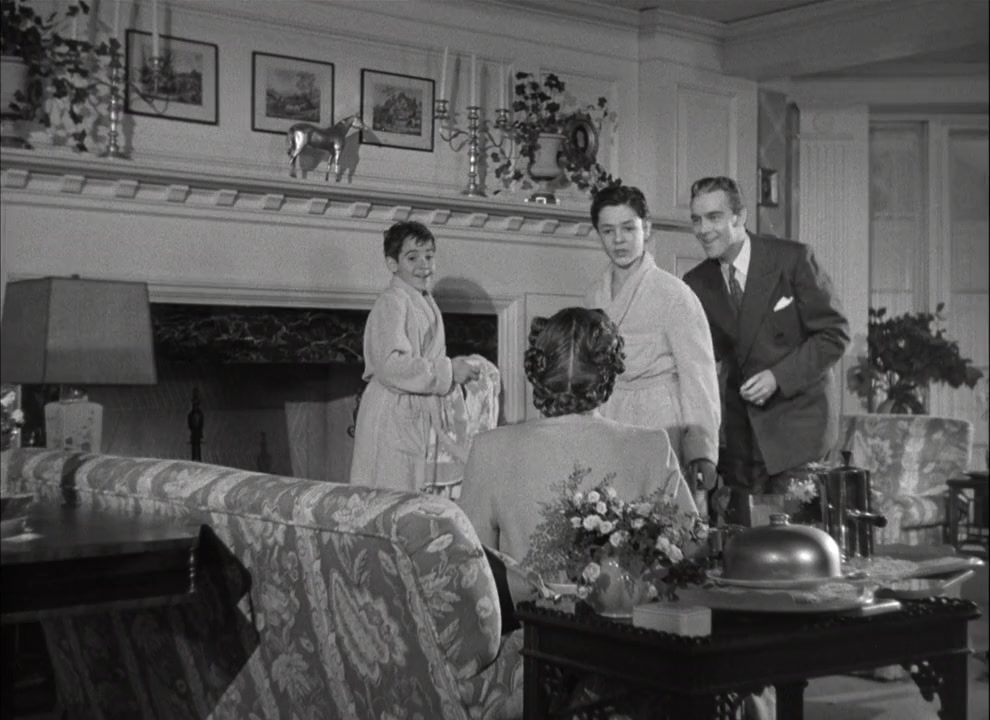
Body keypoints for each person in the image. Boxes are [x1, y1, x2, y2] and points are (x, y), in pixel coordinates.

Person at [459, 307, 697, 564]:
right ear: (608, 375)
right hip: (628, 592)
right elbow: (693, 547)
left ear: (538, 372)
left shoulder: (489, 449)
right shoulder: (652, 447)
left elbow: (472, 567)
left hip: (518, 592)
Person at [683, 176, 850, 500]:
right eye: (696, 220)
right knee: (747, 529)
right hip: (741, 440)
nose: (703, 230)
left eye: (714, 217)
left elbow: (835, 333)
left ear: (740, 217)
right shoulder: (696, 282)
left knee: (796, 528)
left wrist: (778, 377)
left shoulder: (792, 260)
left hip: (799, 430)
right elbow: (704, 360)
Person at [584, 185, 720, 493]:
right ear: (598, 234)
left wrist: (702, 452)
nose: (619, 240)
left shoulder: (674, 294)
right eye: (608, 231)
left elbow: (699, 378)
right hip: (609, 418)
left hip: (660, 422)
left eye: (628, 228)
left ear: (646, 229)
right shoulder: (594, 294)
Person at [349, 220, 480, 491]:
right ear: (392, 263)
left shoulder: (423, 299)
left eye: (429, 256)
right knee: (390, 492)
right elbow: (389, 365)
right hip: (392, 414)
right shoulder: (392, 301)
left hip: (413, 411)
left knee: (411, 492)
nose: (424, 265)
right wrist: (447, 371)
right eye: (412, 258)